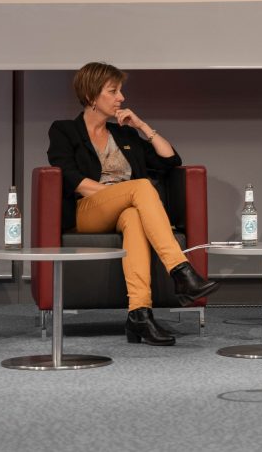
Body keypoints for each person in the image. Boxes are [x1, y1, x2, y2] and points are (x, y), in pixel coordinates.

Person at [47, 62, 219, 346]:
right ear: (91, 96)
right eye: (113, 91)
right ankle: (181, 271)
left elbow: (169, 161)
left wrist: (142, 126)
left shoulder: (125, 134)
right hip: (89, 209)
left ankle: (139, 314)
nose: (121, 98)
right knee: (140, 188)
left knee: (134, 217)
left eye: (121, 91)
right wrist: (116, 193)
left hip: (126, 209)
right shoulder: (65, 130)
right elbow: (70, 177)